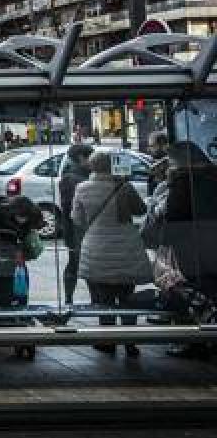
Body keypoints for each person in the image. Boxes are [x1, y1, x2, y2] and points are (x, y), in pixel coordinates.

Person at [72, 150, 151, 357]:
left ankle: (107, 340)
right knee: (127, 298)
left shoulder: (82, 188)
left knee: (102, 299)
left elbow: (78, 220)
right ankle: (130, 342)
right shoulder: (124, 187)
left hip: (96, 248)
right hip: (126, 247)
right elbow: (141, 210)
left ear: (91, 167)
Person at [157, 141, 217, 358]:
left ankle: (198, 339)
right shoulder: (212, 175)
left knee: (192, 287)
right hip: (211, 238)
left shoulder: (183, 180)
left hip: (189, 242)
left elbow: (174, 213)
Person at [58, 143, 94, 306]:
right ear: (81, 158)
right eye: (90, 157)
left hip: (79, 229)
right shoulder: (72, 178)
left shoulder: (81, 175)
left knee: (78, 263)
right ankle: (69, 299)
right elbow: (70, 209)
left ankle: (71, 299)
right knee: (76, 263)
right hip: (76, 229)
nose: (92, 161)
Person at [147, 131, 170, 197]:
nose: (149, 149)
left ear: (163, 145)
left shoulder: (170, 165)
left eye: (152, 146)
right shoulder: (154, 164)